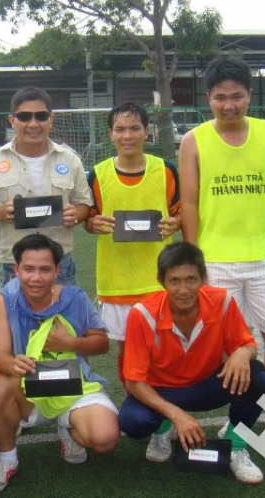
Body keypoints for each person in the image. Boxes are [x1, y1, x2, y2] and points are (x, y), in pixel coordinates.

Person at [178, 54, 265, 443]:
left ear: (249, 95)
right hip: (216, 261)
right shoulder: (193, 140)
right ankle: (238, 420)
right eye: (220, 97)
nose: (229, 105)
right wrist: (193, 259)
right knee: (223, 349)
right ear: (208, 98)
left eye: (236, 96)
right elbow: (189, 202)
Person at [119, 242, 265, 485]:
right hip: (162, 391)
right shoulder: (142, 314)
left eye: (191, 279)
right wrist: (177, 415)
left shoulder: (221, 300)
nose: (183, 289)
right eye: (174, 280)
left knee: (257, 376)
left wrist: (243, 351)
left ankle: (237, 444)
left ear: (203, 278)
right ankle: (162, 429)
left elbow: (248, 344)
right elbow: (134, 382)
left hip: (206, 385)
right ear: (161, 281)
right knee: (133, 422)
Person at [0, 234, 119, 493]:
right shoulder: (6, 299)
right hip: (30, 390)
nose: (36, 277)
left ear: (57, 271)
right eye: (29, 269)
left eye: (45, 269)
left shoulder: (74, 297)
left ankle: (67, 425)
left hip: (73, 384)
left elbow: (102, 344)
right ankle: (6, 459)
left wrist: (70, 343)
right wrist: (13, 365)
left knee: (105, 440)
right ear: (16, 270)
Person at [84, 101, 181, 380]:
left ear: (146, 131)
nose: (128, 136)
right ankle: (139, 410)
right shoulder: (98, 174)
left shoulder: (166, 170)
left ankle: (163, 413)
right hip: (117, 283)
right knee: (127, 351)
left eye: (135, 128)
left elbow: (182, 213)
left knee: (164, 349)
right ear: (111, 134)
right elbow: (88, 219)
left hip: (159, 282)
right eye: (120, 129)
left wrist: (178, 222)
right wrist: (92, 224)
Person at [0, 87, 92, 287]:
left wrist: (74, 214)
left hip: (60, 265)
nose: (33, 124)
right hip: (14, 266)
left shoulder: (70, 159)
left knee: (62, 320)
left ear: (51, 119)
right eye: (24, 117)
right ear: (12, 120)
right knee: (16, 320)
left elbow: (84, 205)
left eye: (41, 116)